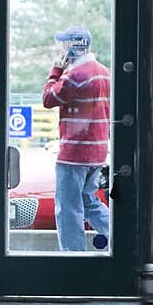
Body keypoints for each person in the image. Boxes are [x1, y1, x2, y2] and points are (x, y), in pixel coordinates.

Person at [42, 26, 111, 252]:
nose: (62, 50)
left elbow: (48, 99)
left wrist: (56, 71)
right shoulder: (104, 72)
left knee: (68, 209)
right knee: (89, 200)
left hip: (74, 154)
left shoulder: (76, 76)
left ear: (73, 48)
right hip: (97, 151)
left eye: (64, 45)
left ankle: (73, 259)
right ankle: (119, 238)